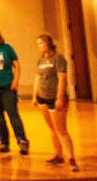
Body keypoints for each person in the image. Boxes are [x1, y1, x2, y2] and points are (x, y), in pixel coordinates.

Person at [32, 33, 79, 171]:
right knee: (52, 128)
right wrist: (34, 96)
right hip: (43, 98)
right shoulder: (40, 60)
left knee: (61, 130)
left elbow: (62, 79)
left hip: (55, 98)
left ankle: (71, 159)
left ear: (48, 43)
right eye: (38, 44)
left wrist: (59, 97)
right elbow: (38, 78)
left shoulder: (58, 58)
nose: (39, 46)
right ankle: (58, 155)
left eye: (41, 43)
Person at [0, 26, 29, 156]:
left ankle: (22, 141)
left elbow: (17, 65)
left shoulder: (6, 48)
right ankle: (4, 142)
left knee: (12, 114)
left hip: (7, 86)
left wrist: (16, 80)